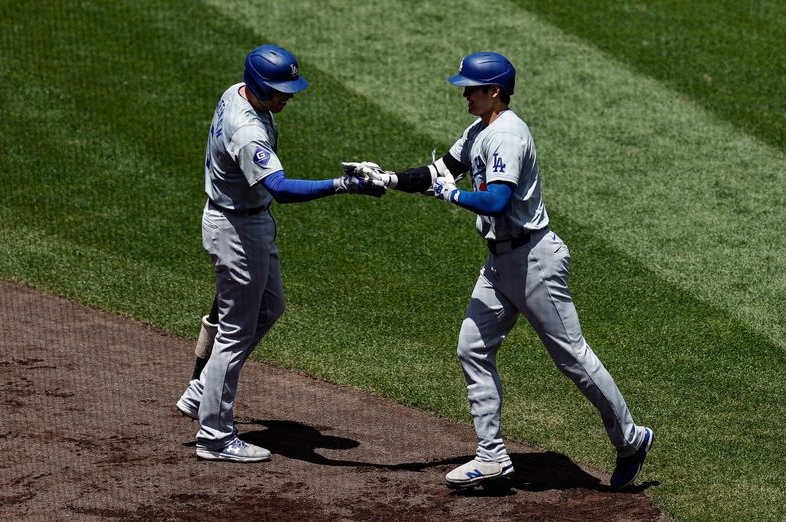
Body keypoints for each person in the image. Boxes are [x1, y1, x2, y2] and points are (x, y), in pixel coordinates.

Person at [347, 51, 653, 490]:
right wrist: (388, 179)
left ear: (494, 92)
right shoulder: (480, 129)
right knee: (472, 347)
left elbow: (496, 202)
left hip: (533, 262)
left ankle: (631, 439)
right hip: (500, 263)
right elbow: (440, 171)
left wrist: (450, 197)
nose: (465, 95)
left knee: (572, 359)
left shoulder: (508, 136)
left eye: (471, 88)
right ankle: (492, 457)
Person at [176, 44, 385, 463]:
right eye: (278, 90)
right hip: (236, 229)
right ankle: (215, 435)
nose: (285, 96)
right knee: (235, 333)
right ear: (256, 86)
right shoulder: (247, 130)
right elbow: (282, 189)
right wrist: (343, 185)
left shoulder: (236, 90)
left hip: (247, 221)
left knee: (270, 307)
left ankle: (203, 391)